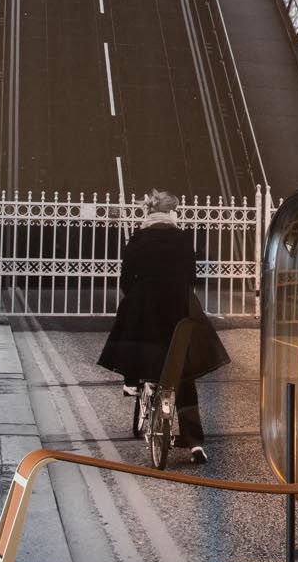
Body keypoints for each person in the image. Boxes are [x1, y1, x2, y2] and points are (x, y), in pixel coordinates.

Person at [98, 190, 229, 461]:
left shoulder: (138, 239)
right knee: (183, 372)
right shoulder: (182, 239)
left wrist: (138, 294)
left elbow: (126, 279)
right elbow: (192, 278)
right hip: (178, 310)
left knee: (132, 328)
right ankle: (195, 443)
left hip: (145, 308)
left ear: (149, 213)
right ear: (171, 213)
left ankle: (133, 382)